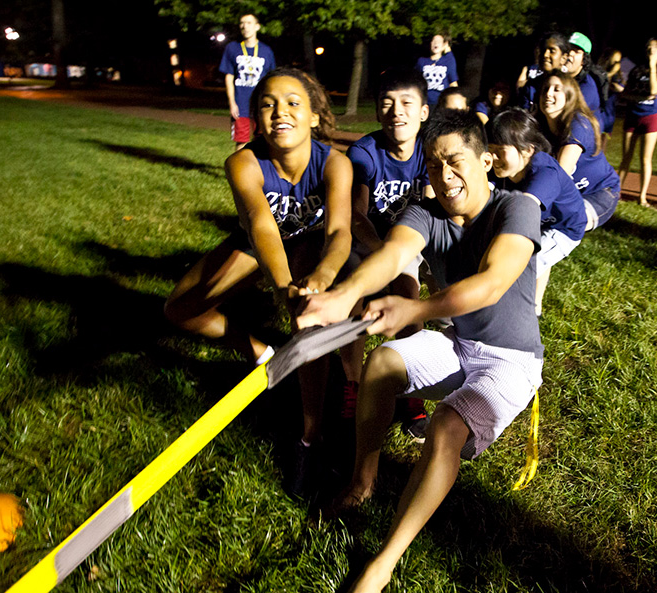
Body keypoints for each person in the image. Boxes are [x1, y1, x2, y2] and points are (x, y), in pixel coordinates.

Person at [297, 109, 544, 593]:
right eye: (433, 166)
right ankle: (362, 483)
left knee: (447, 428)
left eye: (455, 163)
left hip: (511, 360)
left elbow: (492, 283)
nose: (445, 177)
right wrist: (341, 298)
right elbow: (389, 257)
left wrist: (415, 311)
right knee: (383, 362)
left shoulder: (518, 208)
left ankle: (383, 563)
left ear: (487, 160)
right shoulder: (425, 213)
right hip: (459, 343)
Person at [164, 68, 352, 499]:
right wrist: (282, 286)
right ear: (255, 117)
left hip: (310, 245)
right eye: (266, 104)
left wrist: (319, 278)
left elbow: (339, 232)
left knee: (310, 320)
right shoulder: (242, 162)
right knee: (179, 310)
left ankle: (310, 437)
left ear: (314, 118)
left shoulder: (335, 162)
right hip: (258, 245)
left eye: (292, 103)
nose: (279, 112)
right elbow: (260, 226)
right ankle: (263, 353)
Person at [345, 67, 434, 438]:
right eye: (388, 104)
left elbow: (432, 210)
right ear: (379, 113)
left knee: (408, 301)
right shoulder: (364, 152)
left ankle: (411, 392)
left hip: (405, 242)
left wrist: (401, 258)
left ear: (423, 113)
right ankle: (352, 387)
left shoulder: (431, 150)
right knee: (353, 306)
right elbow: (355, 214)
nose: (397, 111)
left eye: (407, 103)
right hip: (367, 242)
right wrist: (384, 254)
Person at [487, 107, 587, 317]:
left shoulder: (544, 173)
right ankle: (534, 308)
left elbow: (523, 211)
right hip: (541, 222)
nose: (493, 157)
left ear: (527, 150)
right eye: (490, 149)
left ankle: (510, 315)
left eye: (500, 150)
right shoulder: (507, 167)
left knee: (522, 265)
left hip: (563, 228)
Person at [536, 72, 620, 230]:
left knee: (571, 223)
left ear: (569, 96)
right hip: (569, 196)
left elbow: (561, 175)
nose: (548, 94)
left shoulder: (578, 124)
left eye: (556, 89)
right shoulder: (539, 128)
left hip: (598, 192)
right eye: (545, 89)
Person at [617, 38, 657, 206]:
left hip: (651, 117)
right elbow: (626, 94)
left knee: (645, 158)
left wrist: (653, 65)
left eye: (655, 47)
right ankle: (616, 192)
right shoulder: (637, 70)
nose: (651, 50)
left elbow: (655, 90)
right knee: (626, 156)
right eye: (648, 47)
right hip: (633, 115)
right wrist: (640, 97)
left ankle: (642, 197)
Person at [218, 14, 277, 150]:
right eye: (242, 23)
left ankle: (260, 170)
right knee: (241, 141)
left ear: (257, 26)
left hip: (261, 105)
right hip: (241, 105)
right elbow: (229, 77)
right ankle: (237, 171)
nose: (245, 26)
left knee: (263, 140)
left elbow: (271, 79)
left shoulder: (266, 51)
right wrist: (232, 103)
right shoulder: (232, 48)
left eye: (249, 23)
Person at [561, 32, 610, 131]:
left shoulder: (588, 87)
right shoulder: (561, 79)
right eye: (568, 49)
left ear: (584, 60)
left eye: (576, 51)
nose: (570, 54)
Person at [518, 32, 569, 111]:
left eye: (552, 51)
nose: (545, 55)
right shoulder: (531, 87)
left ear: (564, 58)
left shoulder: (572, 86)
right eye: (543, 50)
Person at [415, 33, 459, 107]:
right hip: (425, 102)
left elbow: (453, 83)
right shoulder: (421, 61)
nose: (436, 43)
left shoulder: (448, 61)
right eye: (434, 41)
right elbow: (416, 81)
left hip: (441, 103)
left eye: (439, 41)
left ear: (444, 45)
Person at [597, 47, 626, 147]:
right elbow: (601, 83)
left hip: (608, 115)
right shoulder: (598, 72)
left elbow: (620, 88)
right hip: (597, 113)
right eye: (615, 61)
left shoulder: (617, 76)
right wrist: (611, 74)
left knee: (602, 145)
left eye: (619, 61)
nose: (617, 65)